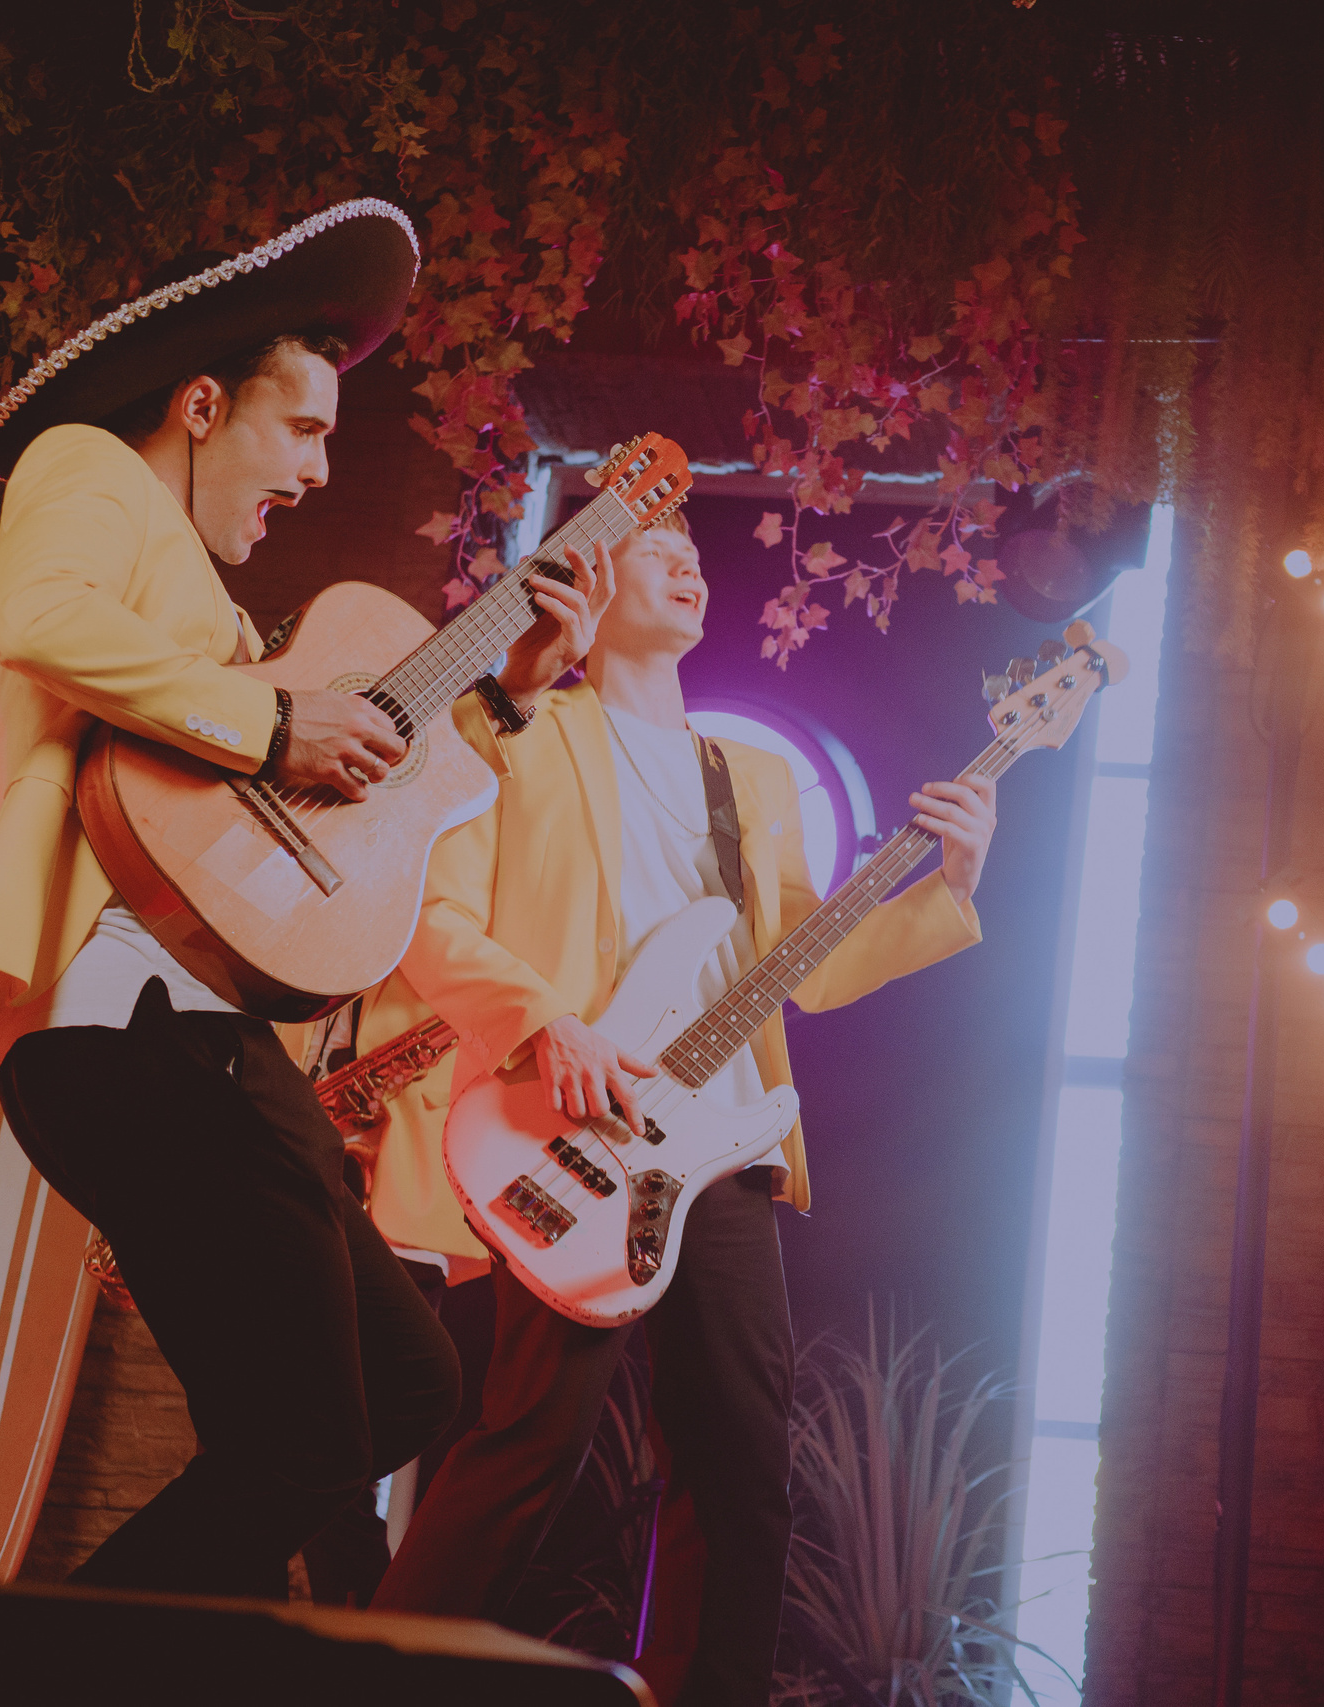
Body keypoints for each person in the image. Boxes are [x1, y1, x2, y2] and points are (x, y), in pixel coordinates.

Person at [0, 199, 602, 1600]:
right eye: (301, 429)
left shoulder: (226, 629)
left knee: (405, 1387)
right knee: (304, 1439)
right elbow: (36, 616)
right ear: (198, 401)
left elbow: (348, 790)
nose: (313, 472)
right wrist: (267, 730)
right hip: (128, 1018)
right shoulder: (91, 470)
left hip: (220, 1038)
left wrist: (512, 683)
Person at [358, 509, 996, 1706]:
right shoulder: (513, 734)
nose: (693, 568)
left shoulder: (744, 775)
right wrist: (548, 1023)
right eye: (663, 553)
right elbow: (428, 923)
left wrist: (951, 885)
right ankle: (369, 1678)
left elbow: (811, 960)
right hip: (579, 1127)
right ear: (594, 580)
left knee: (746, 1470)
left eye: (701, 559)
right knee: (533, 1445)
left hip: (725, 1145)